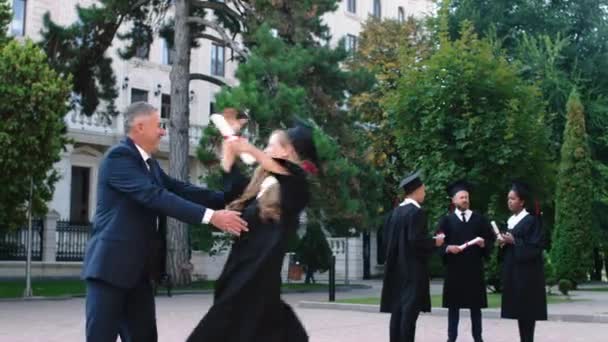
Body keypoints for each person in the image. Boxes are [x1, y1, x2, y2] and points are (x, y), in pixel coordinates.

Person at [82, 102, 248, 342]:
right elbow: (155, 196)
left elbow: (179, 190)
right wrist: (212, 217)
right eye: (158, 125)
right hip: (109, 272)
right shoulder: (119, 157)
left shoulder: (150, 165)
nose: (162, 131)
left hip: (138, 275)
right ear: (139, 127)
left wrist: (226, 200)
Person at [187, 121, 319, 342]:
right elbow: (232, 187)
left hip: (255, 279)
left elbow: (287, 171)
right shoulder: (263, 185)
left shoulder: (295, 186)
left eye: (270, 146)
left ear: (287, 151)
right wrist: (228, 152)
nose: (265, 151)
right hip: (241, 273)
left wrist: (248, 148)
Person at [380, 171, 444, 342]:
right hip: (412, 271)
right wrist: (434, 242)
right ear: (415, 191)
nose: (425, 193)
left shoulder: (395, 213)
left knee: (397, 312)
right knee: (409, 315)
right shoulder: (417, 213)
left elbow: (387, 240)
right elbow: (415, 240)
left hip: (396, 269)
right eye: (423, 189)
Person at [437, 180, 495, 342]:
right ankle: (451, 338)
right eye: (461, 197)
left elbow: (489, 242)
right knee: (453, 308)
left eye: (467, 197)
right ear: (454, 201)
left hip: (474, 270)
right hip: (454, 271)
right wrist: (448, 248)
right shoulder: (446, 221)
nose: (465, 200)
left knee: (476, 308)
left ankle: (478, 337)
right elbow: (439, 244)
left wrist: (484, 244)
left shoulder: (479, 220)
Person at [499, 181, 547, 342]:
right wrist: (503, 242)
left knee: (527, 314)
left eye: (513, 198)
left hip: (528, 276)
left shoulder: (532, 220)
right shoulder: (511, 220)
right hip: (514, 273)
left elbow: (535, 247)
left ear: (522, 201)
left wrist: (514, 241)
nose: (509, 201)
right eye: (508, 198)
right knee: (520, 313)